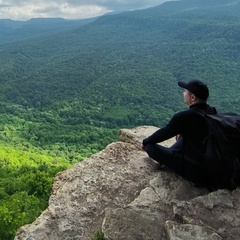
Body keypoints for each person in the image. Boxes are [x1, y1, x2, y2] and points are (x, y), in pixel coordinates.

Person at [142, 80, 217, 187]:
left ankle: (168, 159)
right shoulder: (213, 112)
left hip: (195, 171)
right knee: (183, 137)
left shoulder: (184, 117)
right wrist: (182, 132)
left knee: (150, 147)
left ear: (192, 98)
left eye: (185, 91)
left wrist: (145, 142)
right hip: (211, 166)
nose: (183, 93)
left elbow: (163, 133)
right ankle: (171, 153)